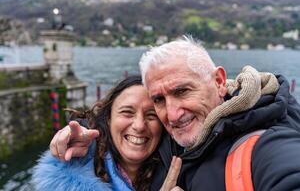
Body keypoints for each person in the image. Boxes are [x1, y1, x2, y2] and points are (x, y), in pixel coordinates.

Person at [49, 37, 300, 190]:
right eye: (158, 99)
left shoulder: (263, 145)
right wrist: (88, 143)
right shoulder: (171, 142)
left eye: (182, 91)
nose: (172, 114)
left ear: (220, 81)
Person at [32, 75, 182, 191]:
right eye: (127, 113)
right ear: (108, 119)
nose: (139, 126)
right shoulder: (68, 181)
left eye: (151, 115)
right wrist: (69, 161)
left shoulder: (183, 173)